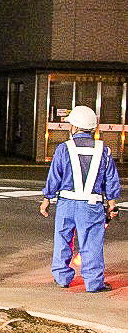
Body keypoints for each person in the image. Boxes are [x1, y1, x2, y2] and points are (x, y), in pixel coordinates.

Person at [40, 105, 120, 292]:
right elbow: (111, 179)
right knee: (92, 243)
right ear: (93, 128)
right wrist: (112, 205)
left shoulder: (63, 149)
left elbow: (55, 176)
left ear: (74, 127)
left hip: (66, 203)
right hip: (92, 205)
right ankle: (93, 283)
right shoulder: (104, 151)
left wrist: (47, 199)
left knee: (63, 239)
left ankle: (62, 278)